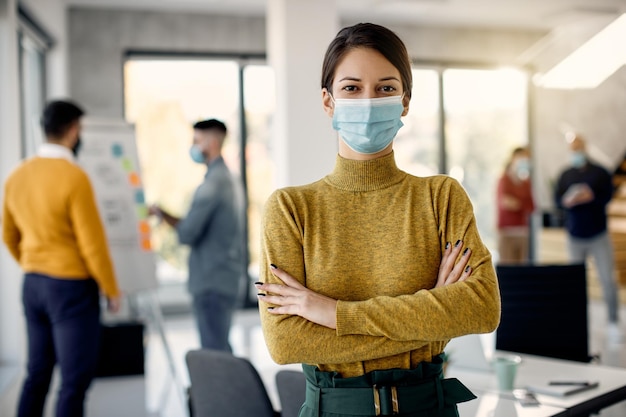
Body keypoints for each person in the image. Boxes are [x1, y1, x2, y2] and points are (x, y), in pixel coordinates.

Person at [255, 23, 500, 417]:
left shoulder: (440, 197)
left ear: (404, 101)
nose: (368, 101)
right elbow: (286, 343)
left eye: (385, 88)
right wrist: (432, 321)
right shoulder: (290, 209)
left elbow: (483, 309)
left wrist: (333, 313)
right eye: (351, 88)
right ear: (327, 100)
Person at [2, 100, 121, 417]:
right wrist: (111, 289)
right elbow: (92, 245)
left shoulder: (18, 175)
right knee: (73, 382)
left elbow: (9, 236)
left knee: (37, 373)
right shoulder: (73, 177)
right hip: (70, 290)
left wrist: (34, 262)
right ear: (72, 130)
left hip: (33, 285)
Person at [149, 119, 244, 352]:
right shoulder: (228, 179)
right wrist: (165, 214)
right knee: (220, 347)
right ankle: (227, 389)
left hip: (212, 282)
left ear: (211, 144)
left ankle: (223, 390)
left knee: (214, 352)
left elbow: (189, 232)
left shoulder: (213, 184)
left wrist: (164, 216)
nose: (192, 147)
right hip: (225, 278)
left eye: (196, 141)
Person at [555, 134, 621, 343]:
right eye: (573, 149)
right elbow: (557, 201)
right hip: (575, 236)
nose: (576, 152)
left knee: (607, 280)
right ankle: (576, 322)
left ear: (585, 147)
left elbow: (607, 196)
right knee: (575, 282)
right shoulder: (565, 175)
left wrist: (590, 197)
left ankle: (613, 322)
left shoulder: (600, 172)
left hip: (598, 234)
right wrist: (567, 201)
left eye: (579, 148)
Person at [496, 146, 535, 264]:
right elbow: (505, 203)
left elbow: (531, 207)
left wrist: (517, 203)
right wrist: (520, 204)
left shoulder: (526, 181)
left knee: (520, 271)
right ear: (514, 158)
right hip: (506, 232)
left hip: (522, 231)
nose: (525, 161)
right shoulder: (504, 179)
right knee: (507, 270)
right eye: (522, 157)